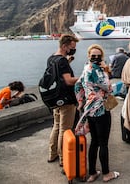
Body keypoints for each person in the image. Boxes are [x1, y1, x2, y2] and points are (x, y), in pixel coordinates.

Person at [74, 44, 119, 183]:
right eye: (94, 56)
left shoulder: (86, 69)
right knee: (103, 143)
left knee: (94, 142)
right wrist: (105, 68)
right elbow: (108, 87)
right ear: (90, 56)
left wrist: (81, 101)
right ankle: (106, 174)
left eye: (97, 56)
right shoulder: (98, 70)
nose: (96, 58)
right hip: (101, 110)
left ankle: (92, 173)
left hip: (89, 110)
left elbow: (77, 85)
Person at [47, 34, 79, 167]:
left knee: (56, 126)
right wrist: (84, 76)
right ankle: (63, 158)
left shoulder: (51, 58)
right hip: (66, 99)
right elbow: (68, 81)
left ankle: (52, 153)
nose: (73, 49)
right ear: (65, 46)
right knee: (65, 130)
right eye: (72, 47)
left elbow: (57, 75)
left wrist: (68, 61)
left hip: (56, 99)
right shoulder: (62, 61)